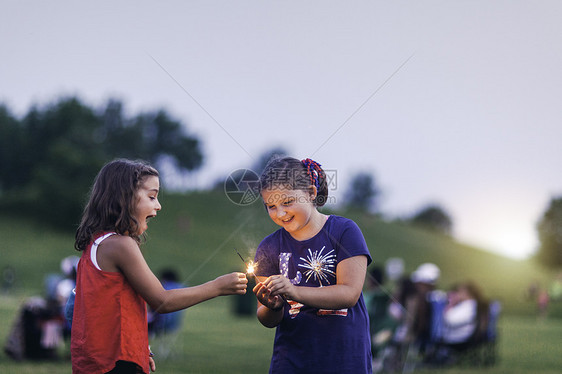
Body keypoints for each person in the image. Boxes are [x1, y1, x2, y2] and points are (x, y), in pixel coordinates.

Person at [71, 159, 248, 374]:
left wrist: (137, 348)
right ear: (124, 197)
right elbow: (162, 301)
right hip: (113, 366)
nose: (158, 205)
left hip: (99, 361)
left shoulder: (97, 244)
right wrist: (218, 287)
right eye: (152, 196)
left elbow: (108, 311)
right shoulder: (121, 245)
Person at [252, 156, 372, 374]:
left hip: (344, 360)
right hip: (291, 362)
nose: (280, 213)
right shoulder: (269, 247)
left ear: (311, 193)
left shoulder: (344, 231)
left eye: (287, 202)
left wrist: (293, 291)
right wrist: (273, 305)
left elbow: (349, 294)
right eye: (271, 206)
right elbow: (267, 319)